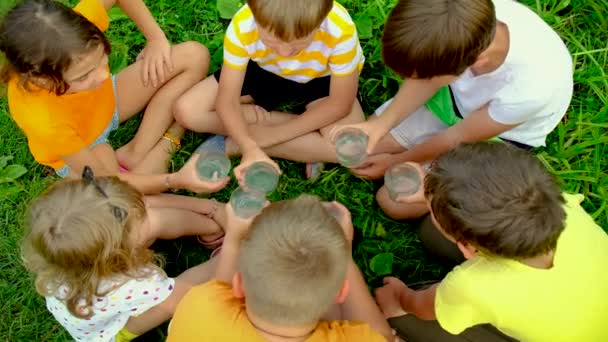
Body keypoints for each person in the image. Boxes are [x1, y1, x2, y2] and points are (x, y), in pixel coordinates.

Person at [331, 0, 573, 219]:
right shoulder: (459, 21)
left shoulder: (531, 88)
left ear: (471, 65)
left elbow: (457, 137)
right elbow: (428, 79)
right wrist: (380, 125)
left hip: (495, 136)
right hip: (451, 101)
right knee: (364, 149)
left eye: (421, 75)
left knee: (392, 201)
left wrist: (398, 160)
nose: (412, 80)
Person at [374, 142, 608, 342]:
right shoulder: (561, 207)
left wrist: (399, 298)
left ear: (469, 248)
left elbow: (421, 307)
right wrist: (436, 193)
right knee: (430, 232)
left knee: (402, 317)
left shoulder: (471, 286)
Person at [0, 0, 225, 194]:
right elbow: (104, 179)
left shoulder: (70, 36)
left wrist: (155, 38)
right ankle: (173, 135)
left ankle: (136, 152)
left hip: (109, 101)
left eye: (102, 58)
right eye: (84, 75)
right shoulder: (43, 120)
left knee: (194, 56)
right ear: (42, 80)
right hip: (87, 145)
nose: (103, 74)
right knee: (118, 194)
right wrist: (172, 181)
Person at [21, 168, 229, 341]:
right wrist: (233, 250)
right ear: (119, 254)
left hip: (86, 299)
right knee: (168, 304)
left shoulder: (62, 252)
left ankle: (209, 231)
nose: (147, 211)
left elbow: (143, 205)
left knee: (155, 221)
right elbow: (183, 289)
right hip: (109, 331)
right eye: (140, 219)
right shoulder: (134, 285)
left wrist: (210, 208)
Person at [173, 0, 365, 180]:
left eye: (297, 45)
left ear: (320, 22)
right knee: (188, 110)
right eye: (271, 41)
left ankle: (232, 142)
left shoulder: (339, 29)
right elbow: (227, 100)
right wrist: (249, 146)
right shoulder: (244, 24)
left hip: (322, 80)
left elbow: (340, 103)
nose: (284, 53)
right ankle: (310, 143)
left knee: (352, 148)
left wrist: (271, 136)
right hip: (264, 70)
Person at [166, 195, 394, 341]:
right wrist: (344, 256)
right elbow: (382, 336)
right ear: (341, 293)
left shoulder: (200, 308)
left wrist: (234, 238)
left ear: (238, 284)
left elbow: (218, 289)